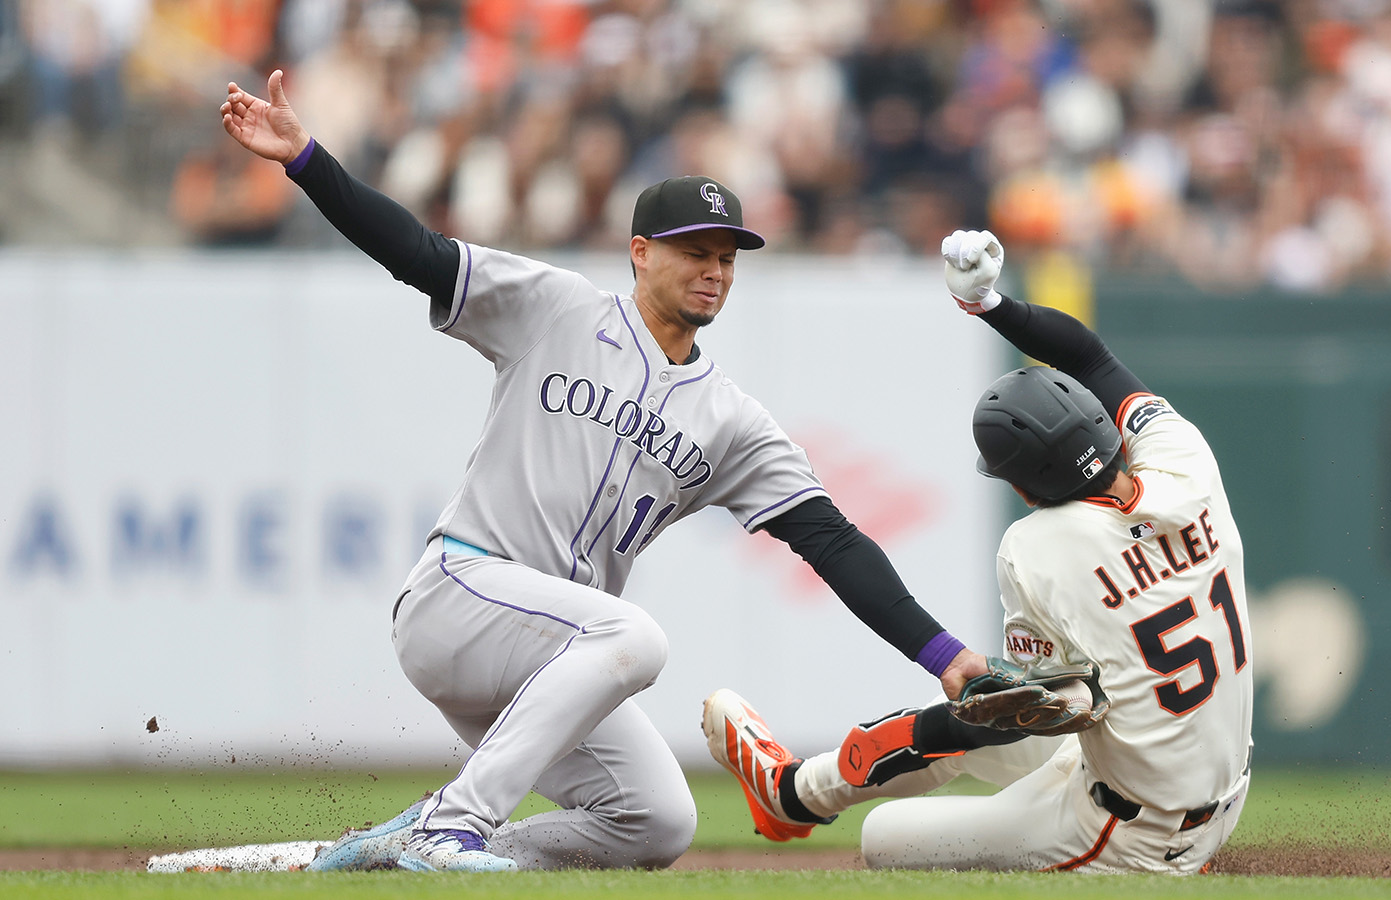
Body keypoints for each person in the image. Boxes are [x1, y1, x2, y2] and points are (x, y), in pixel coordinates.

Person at [218, 71, 990, 873]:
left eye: (727, 257)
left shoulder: (729, 419)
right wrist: (305, 159)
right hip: (462, 594)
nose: (715, 271)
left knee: (655, 824)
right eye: (696, 251)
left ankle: (399, 849)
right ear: (640, 251)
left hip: (556, 657)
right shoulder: (558, 308)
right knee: (633, 634)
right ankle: (453, 823)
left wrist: (947, 658)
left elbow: (832, 541)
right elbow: (415, 251)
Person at [702, 229, 1254, 874]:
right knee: (977, 723)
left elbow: (1030, 709)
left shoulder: (1038, 546)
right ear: (1103, 426)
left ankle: (798, 797)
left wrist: (975, 694)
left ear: (1020, 486)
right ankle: (793, 792)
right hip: (1220, 789)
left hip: (1130, 832)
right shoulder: (1188, 463)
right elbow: (1092, 357)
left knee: (890, 833)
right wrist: (995, 303)